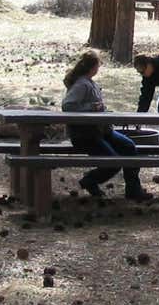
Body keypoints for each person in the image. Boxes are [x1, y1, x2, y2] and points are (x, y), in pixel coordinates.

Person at [62, 51, 151, 201]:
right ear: (93, 67)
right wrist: (91, 108)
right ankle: (90, 180)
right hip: (86, 135)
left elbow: (96, 107)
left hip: (102, 130)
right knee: (113, 162)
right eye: (98, 65)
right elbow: (68, 105)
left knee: (129, 147)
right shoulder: (82, 84)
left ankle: (133, 189)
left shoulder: (90, 82)